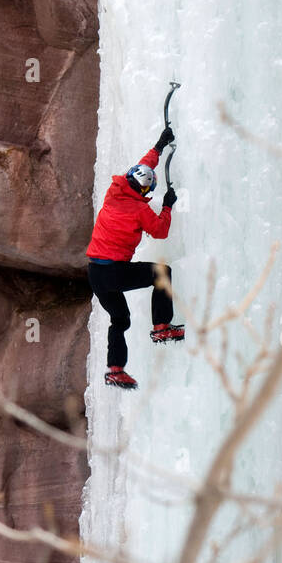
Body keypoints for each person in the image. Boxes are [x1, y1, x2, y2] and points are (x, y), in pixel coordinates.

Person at [87, 126, 185, 389]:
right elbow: (160, 231)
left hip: (95, 274)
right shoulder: (140, 210)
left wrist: (159, 146)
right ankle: (161, 326)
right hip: (115, 272)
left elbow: (142, 166)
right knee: (162, 273)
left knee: (120, 319)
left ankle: (115, 369)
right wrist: (167, 206)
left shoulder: (114, 192)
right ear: (143, 191)